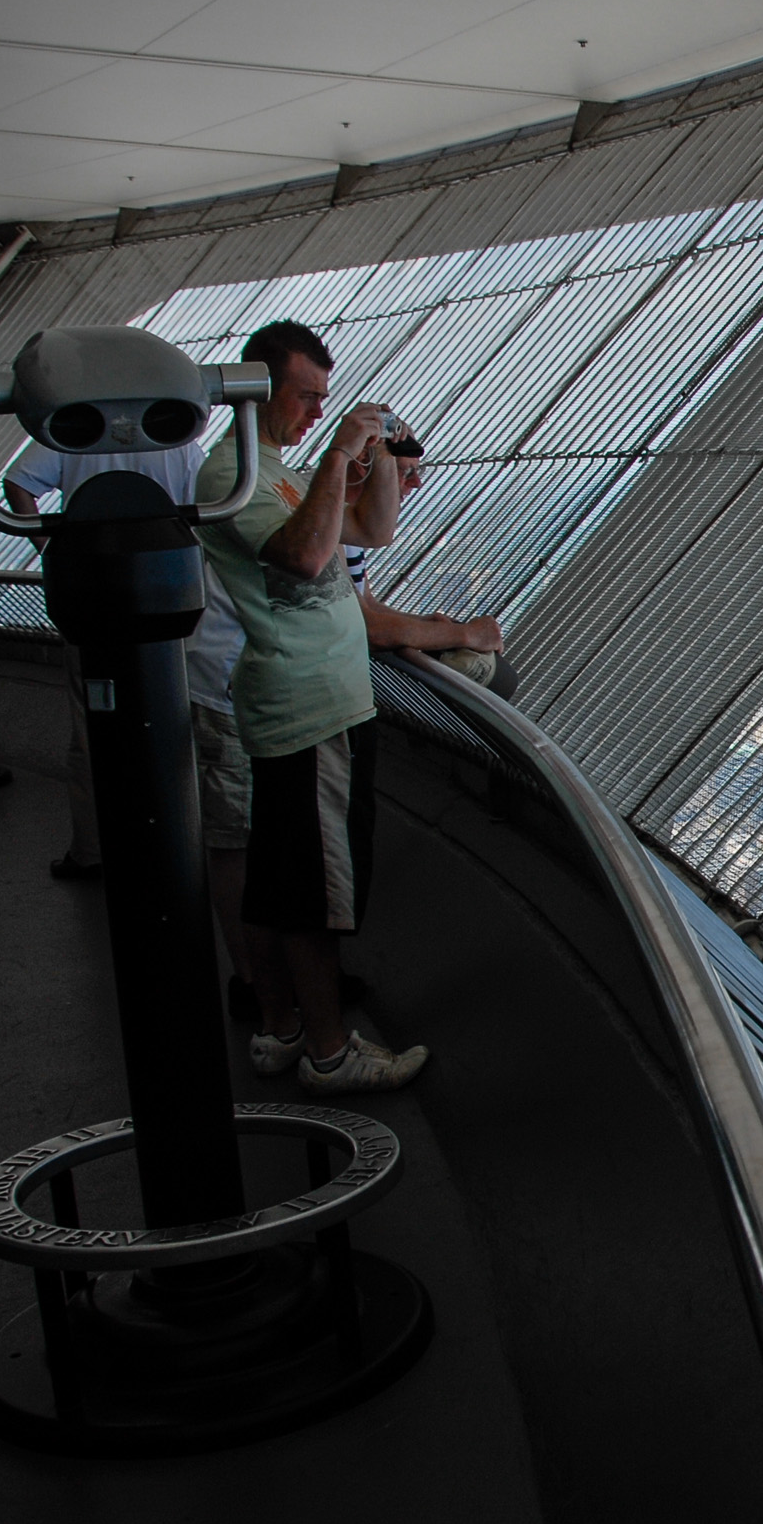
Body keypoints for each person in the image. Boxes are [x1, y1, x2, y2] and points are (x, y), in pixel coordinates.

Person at [194, 319, 424, 1094]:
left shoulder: (280, 472)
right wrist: (336, 457)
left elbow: (372, 530)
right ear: (257, 386)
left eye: (325, 400)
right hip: (305, 706)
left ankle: (282, 1026)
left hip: (314, 702)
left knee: (284, 879)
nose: (315, 414)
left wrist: (381, 458)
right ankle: (328, 1051)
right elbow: (304, 556)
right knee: (312, 895)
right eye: (305, 397)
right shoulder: (236, 477)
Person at [2, 438, 213, 881]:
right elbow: (204, 508)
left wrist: (51, 549)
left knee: (92, 727)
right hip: (164, 599)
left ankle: (93, 849)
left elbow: (18, 483)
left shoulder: (71, 436)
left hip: (93, 597)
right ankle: (176, 837)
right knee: (170, 716)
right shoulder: (178, 443)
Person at [342, 438, 516, 695]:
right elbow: (368, 628)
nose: (416, 483)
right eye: (406, 471)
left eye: (418, 471)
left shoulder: (347, 529)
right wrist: (465, 635)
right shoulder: (329, 527)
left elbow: (366, 603)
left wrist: (432, 627)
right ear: (362, 465)